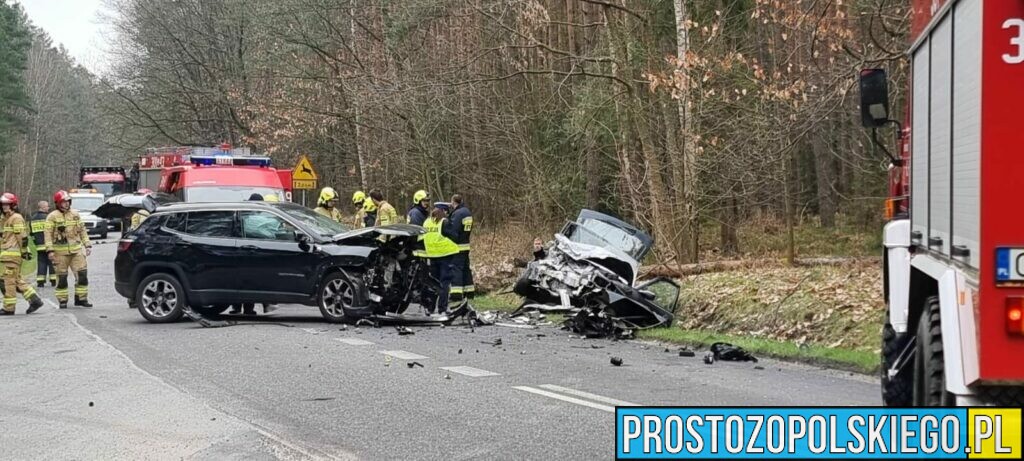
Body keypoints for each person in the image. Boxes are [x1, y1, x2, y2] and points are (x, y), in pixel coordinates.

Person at [45, 190, 92, 309]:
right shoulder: (52, 216)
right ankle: (62, 300)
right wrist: (50, 250)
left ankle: (81, 299)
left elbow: (82, 230)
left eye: (67, 201)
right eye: (63, 202)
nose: (66, 204)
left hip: (76, 251)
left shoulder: (75, 214)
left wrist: (87, 245)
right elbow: (48, 234)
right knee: (62, 277)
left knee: (82, 274)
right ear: (57, 203)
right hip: (59, 253)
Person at [0, 193, 44, 315]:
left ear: (13, 205)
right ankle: (34, 300)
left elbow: (23, 238)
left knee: (8, 280)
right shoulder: (5, 219)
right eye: (3, 204)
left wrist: (24, 252)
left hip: (13, 256)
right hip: (6, 255)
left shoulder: (16, 218)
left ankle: (9, 308)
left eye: (7, 205)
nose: (5, 207)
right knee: (15, 279)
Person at [422, 204, 459, 315]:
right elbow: (454, 236)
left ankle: (430, 308)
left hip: (432, 255)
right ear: (444, 211)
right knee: (444, 283)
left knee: (434, 283)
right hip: (445, 255)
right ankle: (442, 309)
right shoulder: (444, 222)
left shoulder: (426, 222)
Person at [447, 194, 474, 300]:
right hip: (466, 245)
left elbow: (454, 231)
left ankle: (456, 294)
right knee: (466, 269)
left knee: (456, 269)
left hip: (457, 246)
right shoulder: (467, 212)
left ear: (453, 202)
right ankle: (469, 292)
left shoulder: (457, 214)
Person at [30, 200, 56, 287]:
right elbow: (53, 231)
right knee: (52, 262)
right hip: (49, 245)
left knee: (41, 262)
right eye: (47, 206)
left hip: (39, 246)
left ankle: (40, 281)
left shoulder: (32, 219)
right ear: (43, 207)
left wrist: (35, 242)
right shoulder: (48, 217)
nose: (48, 208)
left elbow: (31, 233)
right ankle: (53, 280)